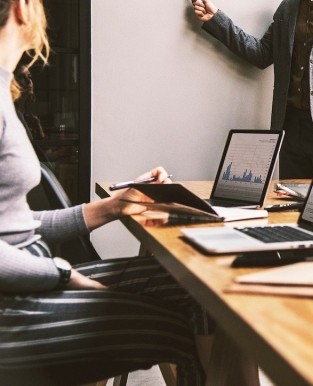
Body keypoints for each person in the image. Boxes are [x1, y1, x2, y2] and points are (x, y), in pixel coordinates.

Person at [0, 1, 217, 384]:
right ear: (22, 8)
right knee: (179, 326)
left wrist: (117, 205)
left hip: (26, 287)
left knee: (201, 286)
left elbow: (13, 226)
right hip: (14, 308)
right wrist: (63, 276)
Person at [190, 0, 313, 178]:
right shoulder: (288, 6)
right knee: (289, 208)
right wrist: (216, 20)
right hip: (289, 128)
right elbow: (262, 53)